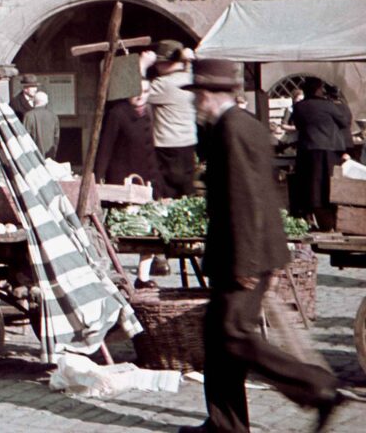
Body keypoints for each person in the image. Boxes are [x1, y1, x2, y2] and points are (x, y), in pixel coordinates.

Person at [180, 58, 342, 433]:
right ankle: (225, 425)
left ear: (206, 94)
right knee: (218, 341)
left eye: (196, 95)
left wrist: (247, 266)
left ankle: (318, 388)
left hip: (242, 255)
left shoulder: (231, 130)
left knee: (234, 335)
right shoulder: (242, 125)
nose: (194, 103)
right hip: (245, 252)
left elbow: (244, 198)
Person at [95, 80, 164, 288]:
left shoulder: (152, 113)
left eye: (145, 91)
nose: (140, 95)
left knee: (150, 227)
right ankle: (112, 273)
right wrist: (98, 177)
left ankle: (142, 277)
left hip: (148, 179)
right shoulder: (118, 113)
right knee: (121, 228)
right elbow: (105, 146)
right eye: (136, 91)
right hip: (121, 180)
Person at [290, 80, 351, 225]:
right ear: (318, 90)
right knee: (328, 184)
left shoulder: (299, 106)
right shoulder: (327, 105)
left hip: (308, 148)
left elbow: (298, 125)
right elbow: (344, 122)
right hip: (328, 148)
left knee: (310, 183)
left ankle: (311, 216)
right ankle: (329, 218)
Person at [142, 40, 198, 199]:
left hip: (168, 147)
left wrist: (143, 65)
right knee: (186, 194)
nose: (157, 67)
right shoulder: (190, 78)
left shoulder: (164, 84)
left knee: (167, 194)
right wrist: (188, 62)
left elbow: (138, 93)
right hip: (188, 143)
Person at [21, 91, 60, 160]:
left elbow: (24, 136)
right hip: (49, 156)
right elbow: (56, 137)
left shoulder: (28, 116)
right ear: (46, 102)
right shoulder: (53, 116)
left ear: (34, 101)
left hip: (33, 156)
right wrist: (53, 152)